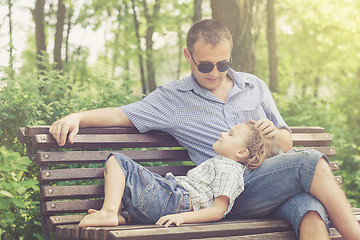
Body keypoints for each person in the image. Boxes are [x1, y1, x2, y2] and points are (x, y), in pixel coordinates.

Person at [50, 19, 360, 239]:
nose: (215, 73)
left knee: (310, 207)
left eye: (222, 64)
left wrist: (275, 136)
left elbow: (287, 143)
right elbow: (122, 115)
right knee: (310, 161)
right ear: (188, 57)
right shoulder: (172, 99)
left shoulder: (255, 86)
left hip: (272, 184)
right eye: (205, 65)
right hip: (227, 195)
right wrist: (78, 115)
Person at [78, 122, 280, 228]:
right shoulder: (222, 164)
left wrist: (182, 217)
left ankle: (109, 212)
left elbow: (218, 210)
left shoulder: (230, 169)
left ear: (242, 153)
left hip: (175, 201)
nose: (222, 134)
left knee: (118, 161)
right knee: (135, 174)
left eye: (230, 134)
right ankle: (124, 216)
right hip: (170, 199)